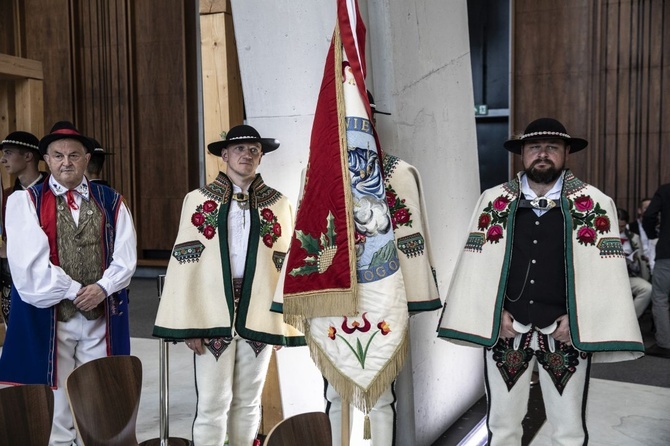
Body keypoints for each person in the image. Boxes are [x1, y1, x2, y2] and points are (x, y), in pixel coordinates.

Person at [438, 118, 643, 445]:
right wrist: (495, 314)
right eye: (535, 147)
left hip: (565, 334)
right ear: (522, 154)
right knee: (503, 425)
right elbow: (475, 269)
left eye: (552, 147)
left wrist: (576, 320)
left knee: (568, 430)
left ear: (565, 154)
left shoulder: (593, 204)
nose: (543, 154)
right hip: (508, 331)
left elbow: (607, 277)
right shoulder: (493, 202)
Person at [153, 124, 304, 446]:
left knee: (249, 402)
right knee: (212, 404)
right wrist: (190, 323)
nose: (246, 155)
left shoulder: (279, 204)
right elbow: (184, 262)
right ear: (224, 155)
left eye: (253, 150)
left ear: (261, 158)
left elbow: (286, 264)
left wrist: (281, 320)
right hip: (211, 314)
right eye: (239, 149)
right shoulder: (196, 200)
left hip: (259, 311)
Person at [0, 121, 137, 446]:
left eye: (74, 155)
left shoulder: (110, 200)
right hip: (50, 321)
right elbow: (30, 267)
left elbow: (126, 254)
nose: (66, 162)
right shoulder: (26, 202)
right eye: (58, 155)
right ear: (46, 159)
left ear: (86, 158)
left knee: (98, 399)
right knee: (56, 404)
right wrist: (77, 291)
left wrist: (103, 288)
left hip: (100, 319)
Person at [321, 92, 441, 446]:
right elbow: (306, 235)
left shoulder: (400, 173)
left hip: (385, 295)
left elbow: (415, 240)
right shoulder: (317, 172)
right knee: (335, 391)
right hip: (334, 296)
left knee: (383, 394)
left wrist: (416, 294)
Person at [0, 130, 48, 324]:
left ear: (28, 156)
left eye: (9, 153)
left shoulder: (51, 192)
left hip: (44, 273)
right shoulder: (7, 196)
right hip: (11, 272)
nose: (3, 160)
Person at [643, 182, 670, 358]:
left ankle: (665, 344)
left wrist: (653, 234)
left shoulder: (666, 190)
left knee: (660, 298)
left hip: (668, 251)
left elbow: (649, 216)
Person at [618, 208, 652, 318]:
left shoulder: (634, 238)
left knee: (647, 289)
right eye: (617, 226)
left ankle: (629, 319)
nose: (619, 229)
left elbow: (639, 266)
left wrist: (634, 261)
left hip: (628, 276)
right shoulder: (603, 236)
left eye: (622, 226)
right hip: (607, 278)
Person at [629, 197, 655, 272]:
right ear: (639, 211)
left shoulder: (659, 228)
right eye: (646, 208)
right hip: (638, 266)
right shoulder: (630, 228)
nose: (650, 211)